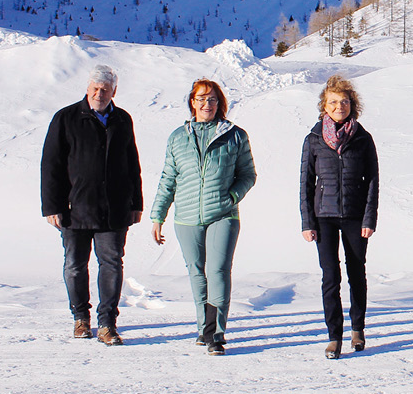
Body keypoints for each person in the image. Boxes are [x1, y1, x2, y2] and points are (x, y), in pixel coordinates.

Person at [150, 79, 256, 356]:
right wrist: (157, 215)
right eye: (201, 99)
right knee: (197, 273)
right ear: (192, 102)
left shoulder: (235, 135)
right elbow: (168, 179)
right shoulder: (178, 137)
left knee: (217, 271)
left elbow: (248, 174)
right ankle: (203, 328)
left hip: (223, 214)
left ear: (220, 103)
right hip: (186, 216)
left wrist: (231, 197)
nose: (206, 104)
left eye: (212, 99)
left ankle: (215, 333)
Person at [41, 64, 143, 346]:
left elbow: (132, 164)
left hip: (115, 209)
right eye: (95, 89)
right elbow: (52, 165)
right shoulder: (66, 118)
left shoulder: (122, 119)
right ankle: (80, 318)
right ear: (87, 89)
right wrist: (52, 206)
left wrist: (136, 202)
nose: (100, 93)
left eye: (105, 89)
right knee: (75, 265)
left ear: (114, 91)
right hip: (75, 209)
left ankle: (107, 323)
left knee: (111, 264)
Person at [300, 74, 379, 360]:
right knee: (330, 277)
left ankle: (358, 328)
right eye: (333, 102)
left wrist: (370, 218)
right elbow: (306, 182)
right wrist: (307, 222)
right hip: (324, 217)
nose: (339, 106)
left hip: (356, 216)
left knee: (357, 274)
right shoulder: (314, 139)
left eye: (344, 101)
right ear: (324, 106)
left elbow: (372, 180)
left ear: (352, 105)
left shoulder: (363, 138)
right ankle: (334, 336)